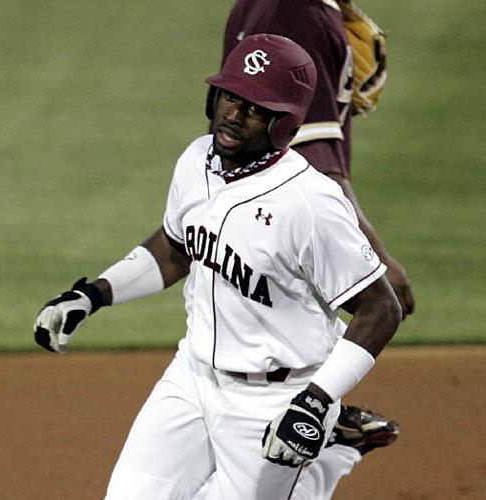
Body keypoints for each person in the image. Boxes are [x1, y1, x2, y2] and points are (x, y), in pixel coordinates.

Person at [34, 34, 402, 499]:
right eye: (230, 96)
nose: (233, 113)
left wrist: (315, 401)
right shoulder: (196, 160)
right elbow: (174, 247)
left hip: (277, 397)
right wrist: (94, 294)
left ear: (282, 122)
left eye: (253, 107)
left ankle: (329, 450)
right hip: (191, 375)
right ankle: (327, 446)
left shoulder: (309, 205)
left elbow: (380, 308)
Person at [217, 0, 414, 474]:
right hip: (276, 212)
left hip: (242, 208)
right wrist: (378, 255)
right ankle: (322, 416)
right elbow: (313, 157)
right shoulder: (297, 14)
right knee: (382, 297)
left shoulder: (262, 5)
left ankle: (322, 411)